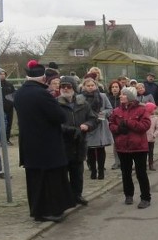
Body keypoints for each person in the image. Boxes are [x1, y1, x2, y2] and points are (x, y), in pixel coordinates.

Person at [14, 60, 76, 222]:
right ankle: (52, 210)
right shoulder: (42, 94)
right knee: (51, 179)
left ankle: (38, 211)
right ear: (43, 79)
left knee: (35, 180)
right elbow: (59, 116)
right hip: (47, 144)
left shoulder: (19, 93)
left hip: (28, 143)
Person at [56, 76, 98, 206]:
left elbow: (93, 118)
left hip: (79, 143)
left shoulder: (83, 103)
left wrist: (88, 125)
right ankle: (65, 198)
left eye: (68, 86)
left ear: (74, 88)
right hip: (63, 143)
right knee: (63, 173)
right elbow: (54, 123)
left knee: (78, 173)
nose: (66, 89)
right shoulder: (55, 104)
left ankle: (77, 195)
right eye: (63, 86)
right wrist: (70, 130)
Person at [109, 87, 152, 209]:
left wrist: (129, 123)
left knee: (141, 173)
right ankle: (128, 195)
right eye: (121, 94)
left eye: (123, 95)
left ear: (130, 97)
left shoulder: (142, 109)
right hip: (123, 147)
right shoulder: (116, 110)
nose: (121, 96)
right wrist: (117, 129)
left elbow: (145, 125)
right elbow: (111, 124)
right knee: (125, 173)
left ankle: (145, 197)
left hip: (139, 147)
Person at [79, 76, 113, 180]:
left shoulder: (102, 96)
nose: (90, 87)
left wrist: (102, 114)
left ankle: (101, 170)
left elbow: (110, 108)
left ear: (96, 85)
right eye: (88, 85)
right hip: (88, 125)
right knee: (89, 150)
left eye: (92, 85)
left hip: (100, 124)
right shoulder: (80, 97)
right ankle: (93, 170)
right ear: (84, 87)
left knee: (100, 149)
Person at [144, 101, 158, 170]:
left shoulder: (155, 118)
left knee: (151, 152)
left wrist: (154, 135)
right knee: (143, 153)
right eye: (153, 109)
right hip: (143, 139)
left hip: (151, 139)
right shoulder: (144, 117)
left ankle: (151, 164)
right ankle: (143, 164)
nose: (155, 110)